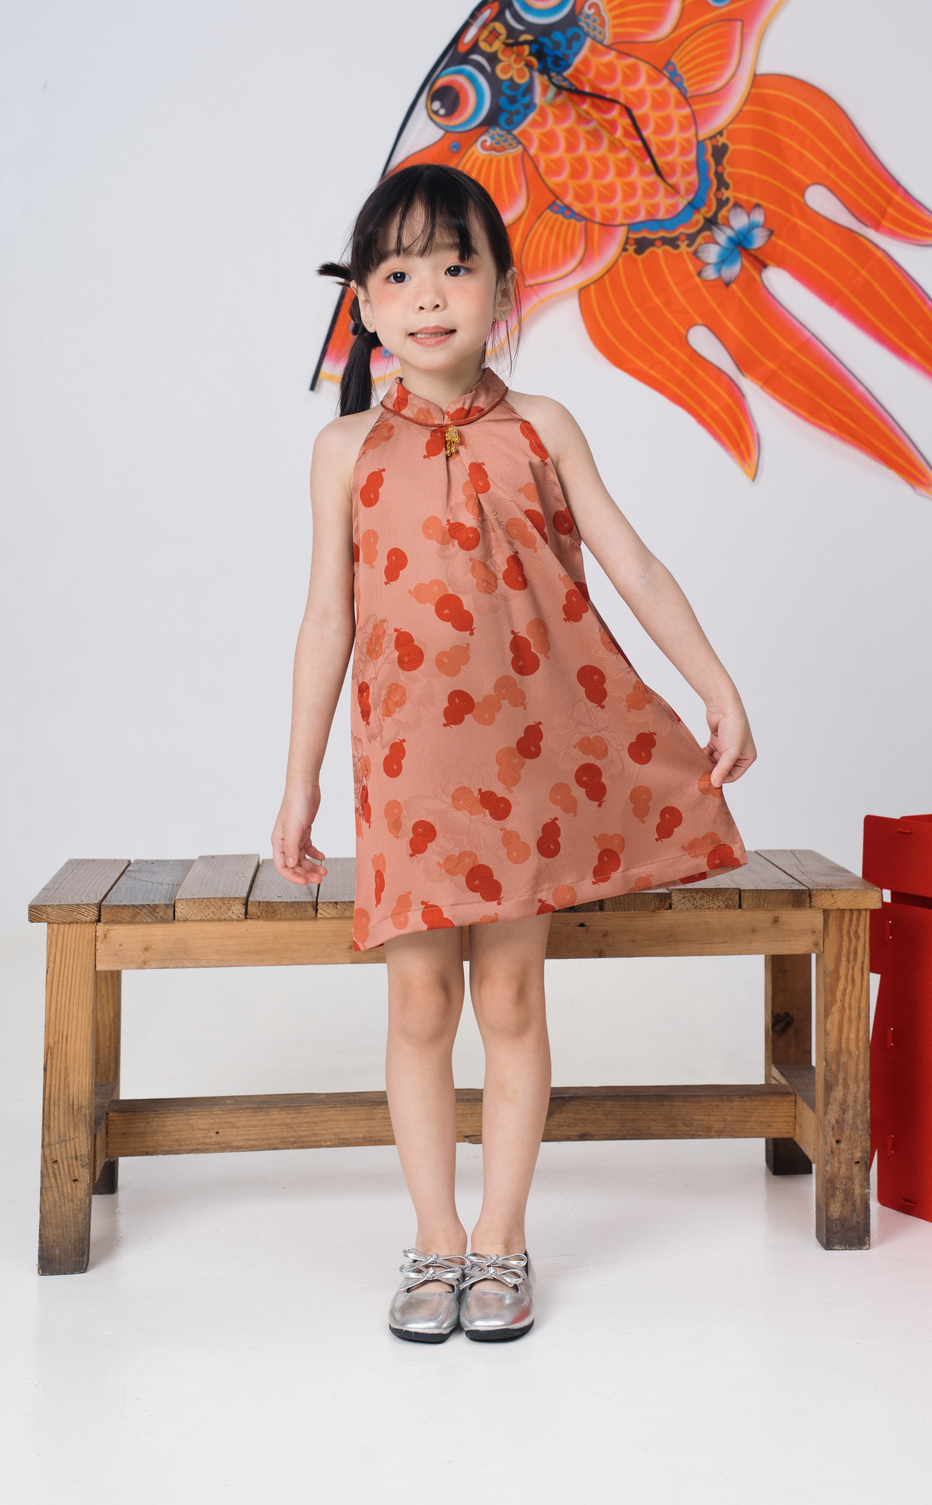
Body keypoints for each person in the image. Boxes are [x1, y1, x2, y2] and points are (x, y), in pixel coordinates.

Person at [273, 163, 756, 1343]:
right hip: (409, 774)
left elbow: (633, 564)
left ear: (503, 288)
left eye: (456, 267)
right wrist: (298, 784)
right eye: (400, 275)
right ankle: (432, 1239)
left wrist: (716, 685)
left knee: (510, 995)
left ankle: (500, 1239)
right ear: (366, 306)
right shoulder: (343, 450)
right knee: (419, 1003)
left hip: (530, 764)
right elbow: (327, 619)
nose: (430, 295)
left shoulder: (543, 427)